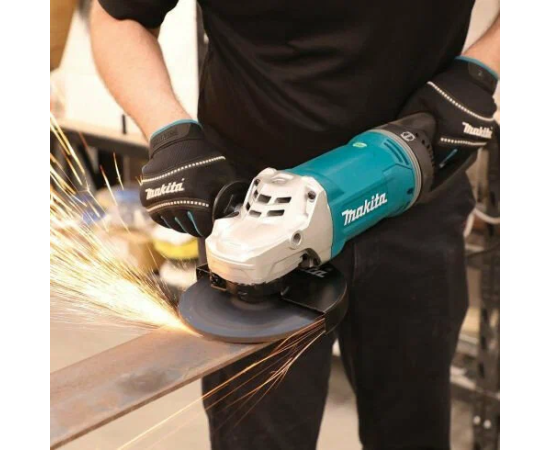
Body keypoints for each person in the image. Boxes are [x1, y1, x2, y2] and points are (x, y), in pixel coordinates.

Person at [90, 1, 499, 448]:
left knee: (413, 430)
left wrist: (479, 70)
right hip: (253, 218)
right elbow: (118, 17)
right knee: (258, 438)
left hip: (415, 190)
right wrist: (171, 136)